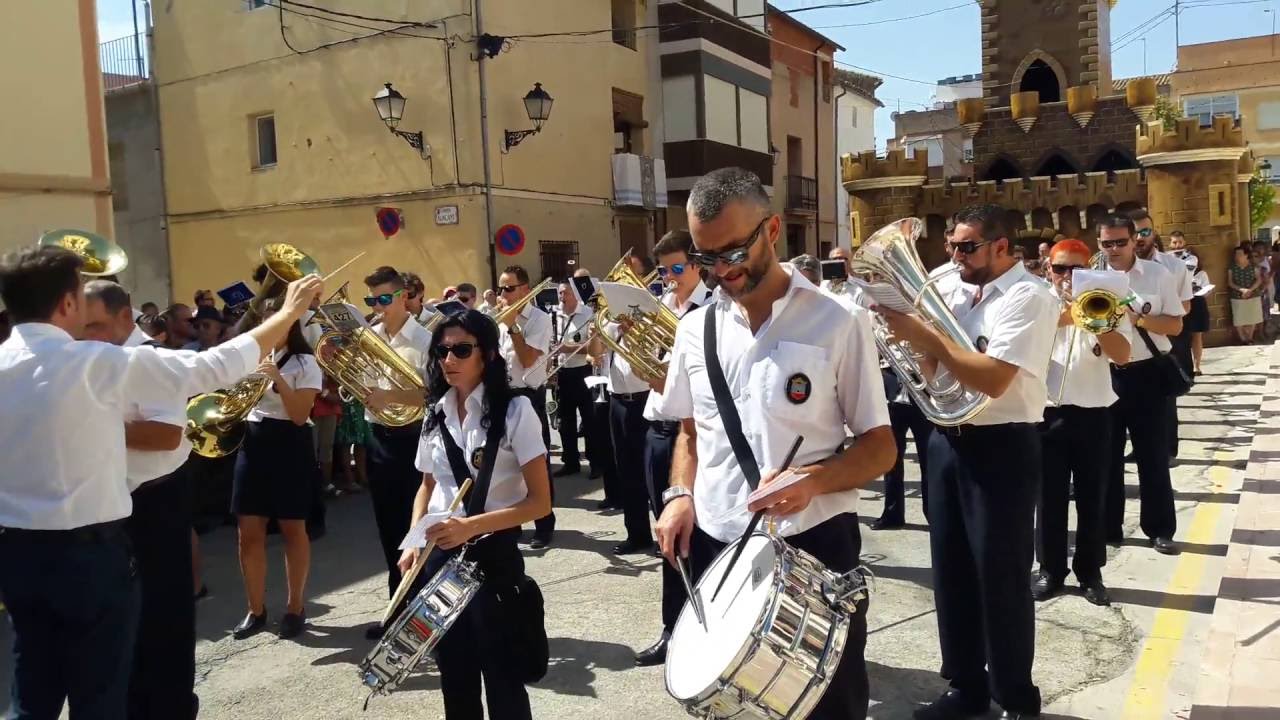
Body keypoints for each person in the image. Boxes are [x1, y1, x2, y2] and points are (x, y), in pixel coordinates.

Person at [0, 245, 320, 720]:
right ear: (67, 304)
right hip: (90, 555)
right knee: (100, 693)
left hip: (18, 554)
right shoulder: (91, 361)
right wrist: (291, 312)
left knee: (33, 690)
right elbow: (211, 367)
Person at [654, 168, 895, 720]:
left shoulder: (839, 322)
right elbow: (691, 431)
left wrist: (814, 480)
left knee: (828, 707)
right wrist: (679, 495)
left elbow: (880, 447)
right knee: (737, 708)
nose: (722, 272)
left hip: (814, 542)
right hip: (720, 546)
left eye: (733, 252)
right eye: (706, 258)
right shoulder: (695, 329)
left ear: (773, 230)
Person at [876, 204, 1058, 720]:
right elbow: (933, 365)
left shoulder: (1030, 296)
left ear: (1003, 246)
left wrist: (925, 338)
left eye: (967, 247)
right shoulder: (948, 286)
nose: (954, 256)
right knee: (951, 571)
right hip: (945, 440)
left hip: (1002, 445)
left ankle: (1015, 697)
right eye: (952, 245)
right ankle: (965, 687)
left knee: (1000, 577)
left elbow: (994, 378)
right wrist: (910, 345)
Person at [402, 309, 550, 720]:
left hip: (494, 554)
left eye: (460, 350)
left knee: (503, 677)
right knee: (455, 675)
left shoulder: (516, 411)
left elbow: (540, 502)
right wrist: (414, 543)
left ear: (485, 354)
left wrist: (470, 527)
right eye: (441, 351)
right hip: (440, 557)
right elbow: (427, 486)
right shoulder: (435, 412)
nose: (447, 360)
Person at [83, 280, 201, 719]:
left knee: (163, 624)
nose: (86, 334)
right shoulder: (95, 358)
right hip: (110, 502)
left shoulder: (149, 360)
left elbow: (167, 435)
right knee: (119, 627)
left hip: (155, 503)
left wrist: (91, 422)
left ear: (124, 315)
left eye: (95, 324)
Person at [1032, 239, 1132, 608]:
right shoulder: (1035, 302)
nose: (1068, 277)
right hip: (1045, 413)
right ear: (1048, 269)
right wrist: (1065, 315)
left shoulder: (1108, 301)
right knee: (1049, 498)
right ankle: (1050, 570)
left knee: (1094, 497)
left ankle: (1090, 572)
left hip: (1093, 413)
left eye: (1077, 269)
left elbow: (1123, 355)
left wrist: (1096, 321)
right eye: (1060, 269)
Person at [635, 229, 712, 667]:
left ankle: (701, 627)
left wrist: (666, 382)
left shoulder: (710, 312)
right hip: (658, 433)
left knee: (697, 538)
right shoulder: (662, 307)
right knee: (666, 536)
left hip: (695, 437)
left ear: (698, 265)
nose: (670, 278)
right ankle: (672, 628)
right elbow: (632, 370)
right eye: (664, 271)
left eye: (677, 269)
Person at [229, 297, 323, 640]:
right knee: (248, 532)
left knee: (292, 529)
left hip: (290, 442)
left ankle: (295, 607)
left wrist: (277, 378)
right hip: (254, 441)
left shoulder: (305, 362)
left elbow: (300, 414)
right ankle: (255, 609)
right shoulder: (249, 357)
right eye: (265, 324)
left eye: (278, 323)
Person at [1099, 215, 1185, 556]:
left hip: (1147, 372)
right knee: (1107, 457)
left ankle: (1160, 529)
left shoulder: (1157, 275)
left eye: (1121, 242)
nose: (1114, 249)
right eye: (1107, 243)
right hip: (1104, 373)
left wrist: (1141, 320)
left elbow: (1176, 326)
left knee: (1152, 455)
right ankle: (1109, 528)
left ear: (1135, 240)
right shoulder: (1092, 278)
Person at [359, 266, 432, 639]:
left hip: (412, 437)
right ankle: (396, 610)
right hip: (377, 436)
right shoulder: (370, 336)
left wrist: (389, 396)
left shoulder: (424, 339)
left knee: (415, 530)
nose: (378, 307)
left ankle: (423, 618)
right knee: (388, 529)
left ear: (403, 296)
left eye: (384, 299)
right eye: (372, 300)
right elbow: (365, 383)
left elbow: (432, 394)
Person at [495, 265, 555, 548]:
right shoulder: (499, 320)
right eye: (500, 289)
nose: (503, 294)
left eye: (508, 288)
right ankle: (512, 522)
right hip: (503, 394)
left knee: (536, 462)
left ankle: (544, 523)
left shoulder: (540, 320)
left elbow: (528, 359)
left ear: (525, 290)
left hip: (529, 396)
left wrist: (513, 325)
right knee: (507, 463)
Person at [1131, 211, 1193, 462]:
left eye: (1145, 232)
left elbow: (1186, 306)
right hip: (1130, 342)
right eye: (1134, 232)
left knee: (1166, 397)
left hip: (1165, 335)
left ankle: (1168, 449)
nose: (1139, 238)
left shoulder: (1174, 267)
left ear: (1154, 232)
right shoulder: (1115, 268)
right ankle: (1138, 447)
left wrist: (1160, 313)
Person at [551, 281, 597, 478]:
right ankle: (570, 462)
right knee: (565, 422)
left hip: (583, 371)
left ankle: (596, 463)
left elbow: (594, 347)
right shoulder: (553, 315)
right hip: (563, 373)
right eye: (560, 293)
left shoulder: (587, 314)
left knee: (589, 421)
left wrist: (566, 348)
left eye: (566, 293)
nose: (562, 297)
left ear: (575, 295)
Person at [1229, 245, 1264, 344]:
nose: (1237, 256)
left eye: (1239, 254)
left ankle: (1250, 337)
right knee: (1238, 318)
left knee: (1252, 317)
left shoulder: (1253, 266)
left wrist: (1250, 290)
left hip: (1253, 295)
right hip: (1237, 296)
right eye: (1236, 254)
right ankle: (1242, 338)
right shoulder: (1232, 267)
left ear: (1246, 255)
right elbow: (1230, 282)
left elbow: (1258, 279)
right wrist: (1242, 290)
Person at [1183, 248, 1210, 375]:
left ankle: (1196, 365)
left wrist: (1197, 289)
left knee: (1197, 336)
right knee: (1182, 337)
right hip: (1182, 304)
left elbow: (1207, 291)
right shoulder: (1179, 274)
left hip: (1197, 304)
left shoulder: (1202, 274)